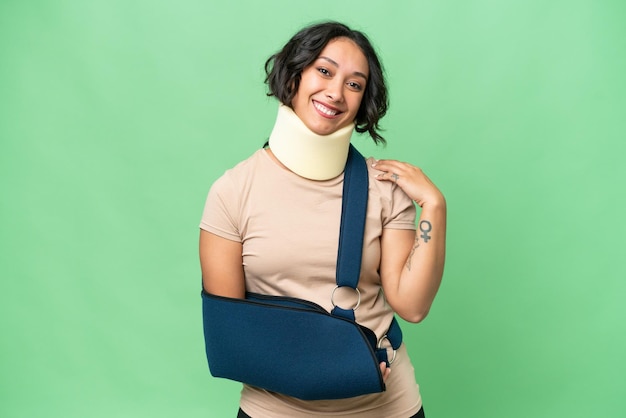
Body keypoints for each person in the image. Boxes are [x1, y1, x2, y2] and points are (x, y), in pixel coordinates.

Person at [199, 21, 446, 418]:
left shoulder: (384, 189)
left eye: (355, 84)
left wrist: (434, 206)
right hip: (274, 410)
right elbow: (232, 337)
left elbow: (412, 306)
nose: (335, 92)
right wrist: (330, 371)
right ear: (295, 75)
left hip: (386, 404)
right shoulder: (232, 192)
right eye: (325, 71)